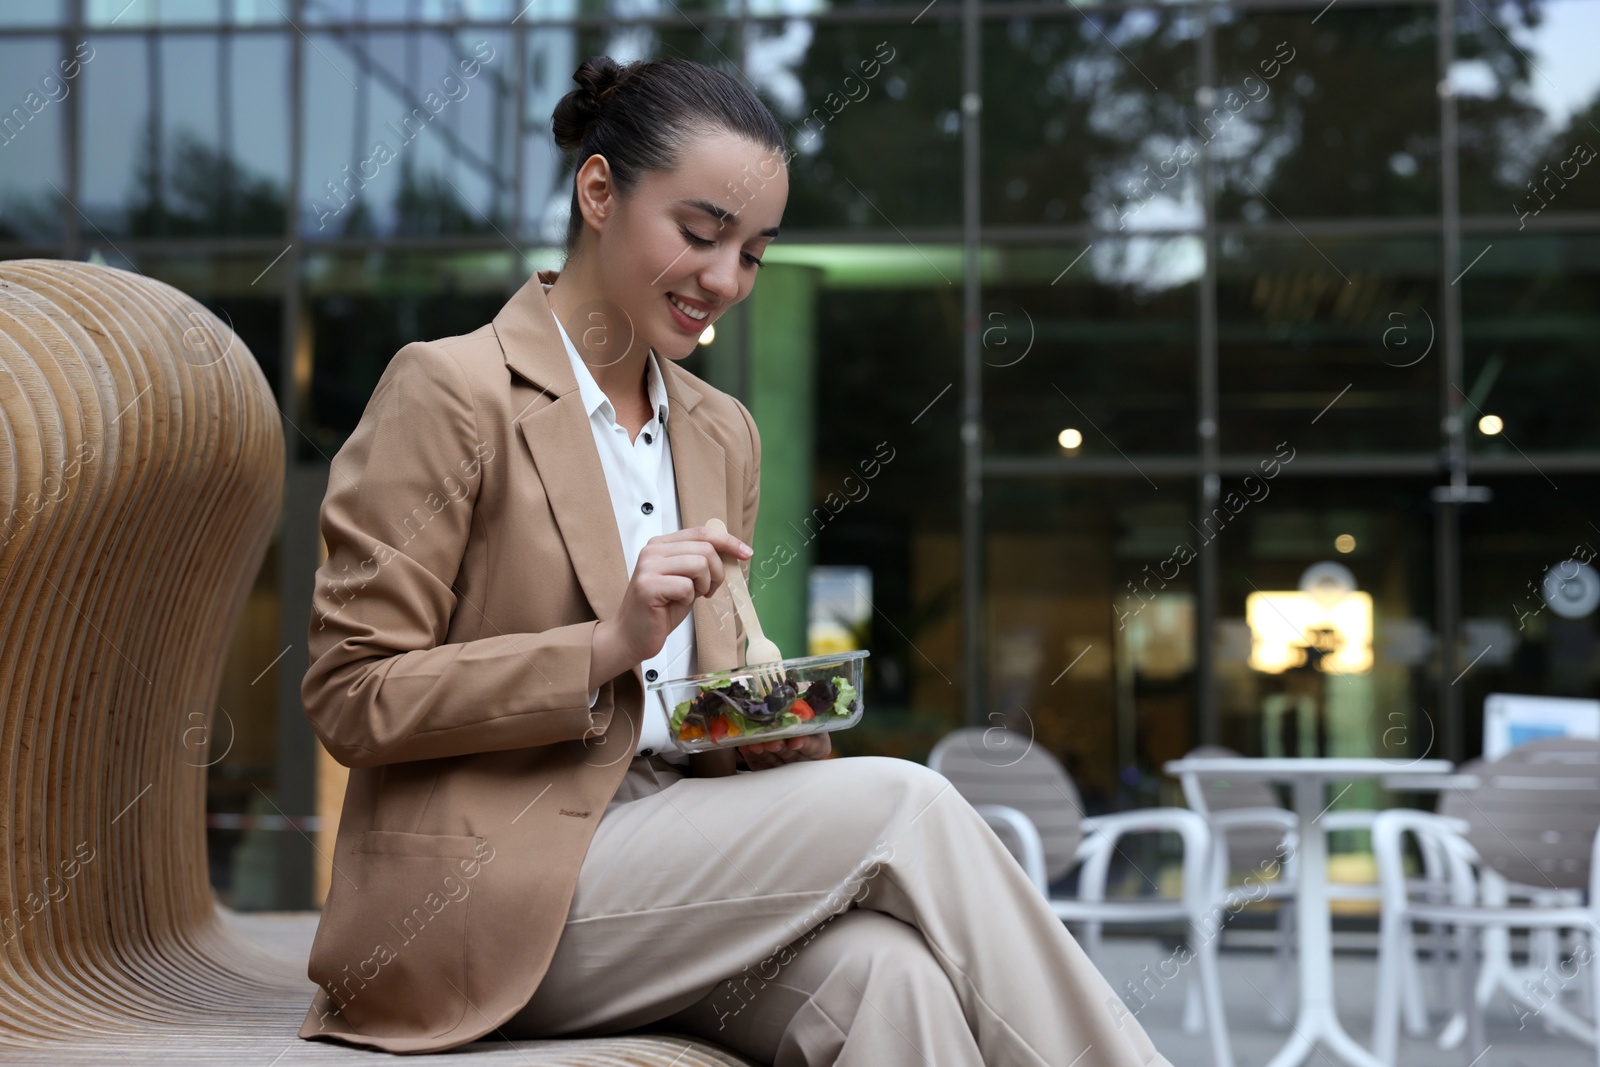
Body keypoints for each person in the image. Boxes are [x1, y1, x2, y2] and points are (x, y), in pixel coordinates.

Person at [297, 54, 1174, 1067]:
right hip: (486, 888)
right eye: (702, 233)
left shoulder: (721, 432)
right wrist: (600, 645)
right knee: (908, 802)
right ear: (597, 192)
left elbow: (698, 693)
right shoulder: (451, 391)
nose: (724, 280)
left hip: (676, 853)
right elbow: (349, 692)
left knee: (891, 978)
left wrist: (760, 730)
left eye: (753, 253)